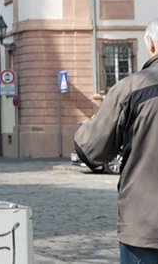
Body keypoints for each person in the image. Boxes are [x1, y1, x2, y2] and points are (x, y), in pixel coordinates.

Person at [75, 18, 158, 264]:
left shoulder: (132, 88)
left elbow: (92, 149)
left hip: (146, 224)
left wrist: (86, 128)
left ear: (150, 43)